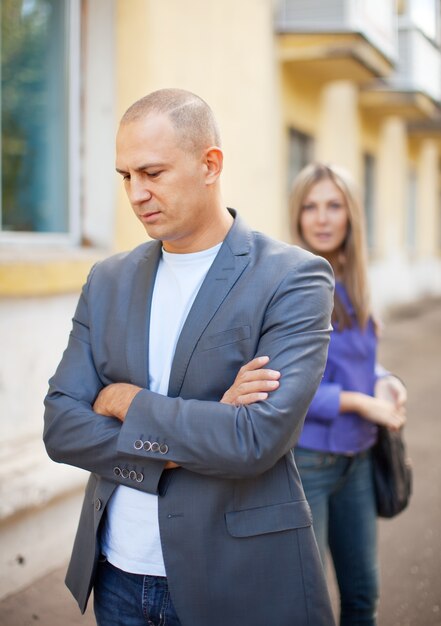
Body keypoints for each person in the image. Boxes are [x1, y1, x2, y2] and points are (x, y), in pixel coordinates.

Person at [43, 89, 336, 626]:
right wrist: (207, 422)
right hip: (117, 575)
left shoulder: (292, 278)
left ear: (210, 164)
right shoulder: (107, 280)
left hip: (237, 576)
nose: (136, 193)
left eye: (152, 172)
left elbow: (254, 439)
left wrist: (126, 401)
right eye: (125, 176)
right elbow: (61, 426)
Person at [288, 162, 407, 626]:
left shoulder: (353, 280)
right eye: (310, 207)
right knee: (309, 607)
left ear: (351, 214)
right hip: (310, 463)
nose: (321, 218)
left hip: (359, 459)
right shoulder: (291, 283)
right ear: (296, 217)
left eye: (333, 205)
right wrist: (362, 403)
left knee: (363, 599)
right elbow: (289, 386)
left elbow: (356, 357)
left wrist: (383, 380)